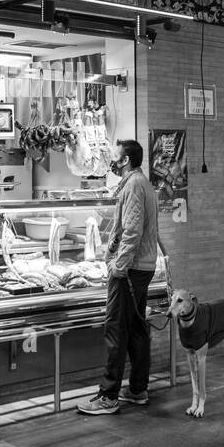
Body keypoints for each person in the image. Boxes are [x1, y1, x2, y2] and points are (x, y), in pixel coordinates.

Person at [78, 138, 160, 416]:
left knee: (116, 328)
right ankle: (137, 389)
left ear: (125, 160)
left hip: (131, 269)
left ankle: (108, 395)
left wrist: (119, 265)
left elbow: (132, 230)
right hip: (141, 267)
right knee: (137, 328)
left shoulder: (134, 185)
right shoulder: (139, 183)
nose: (110, 160)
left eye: (114, 156)